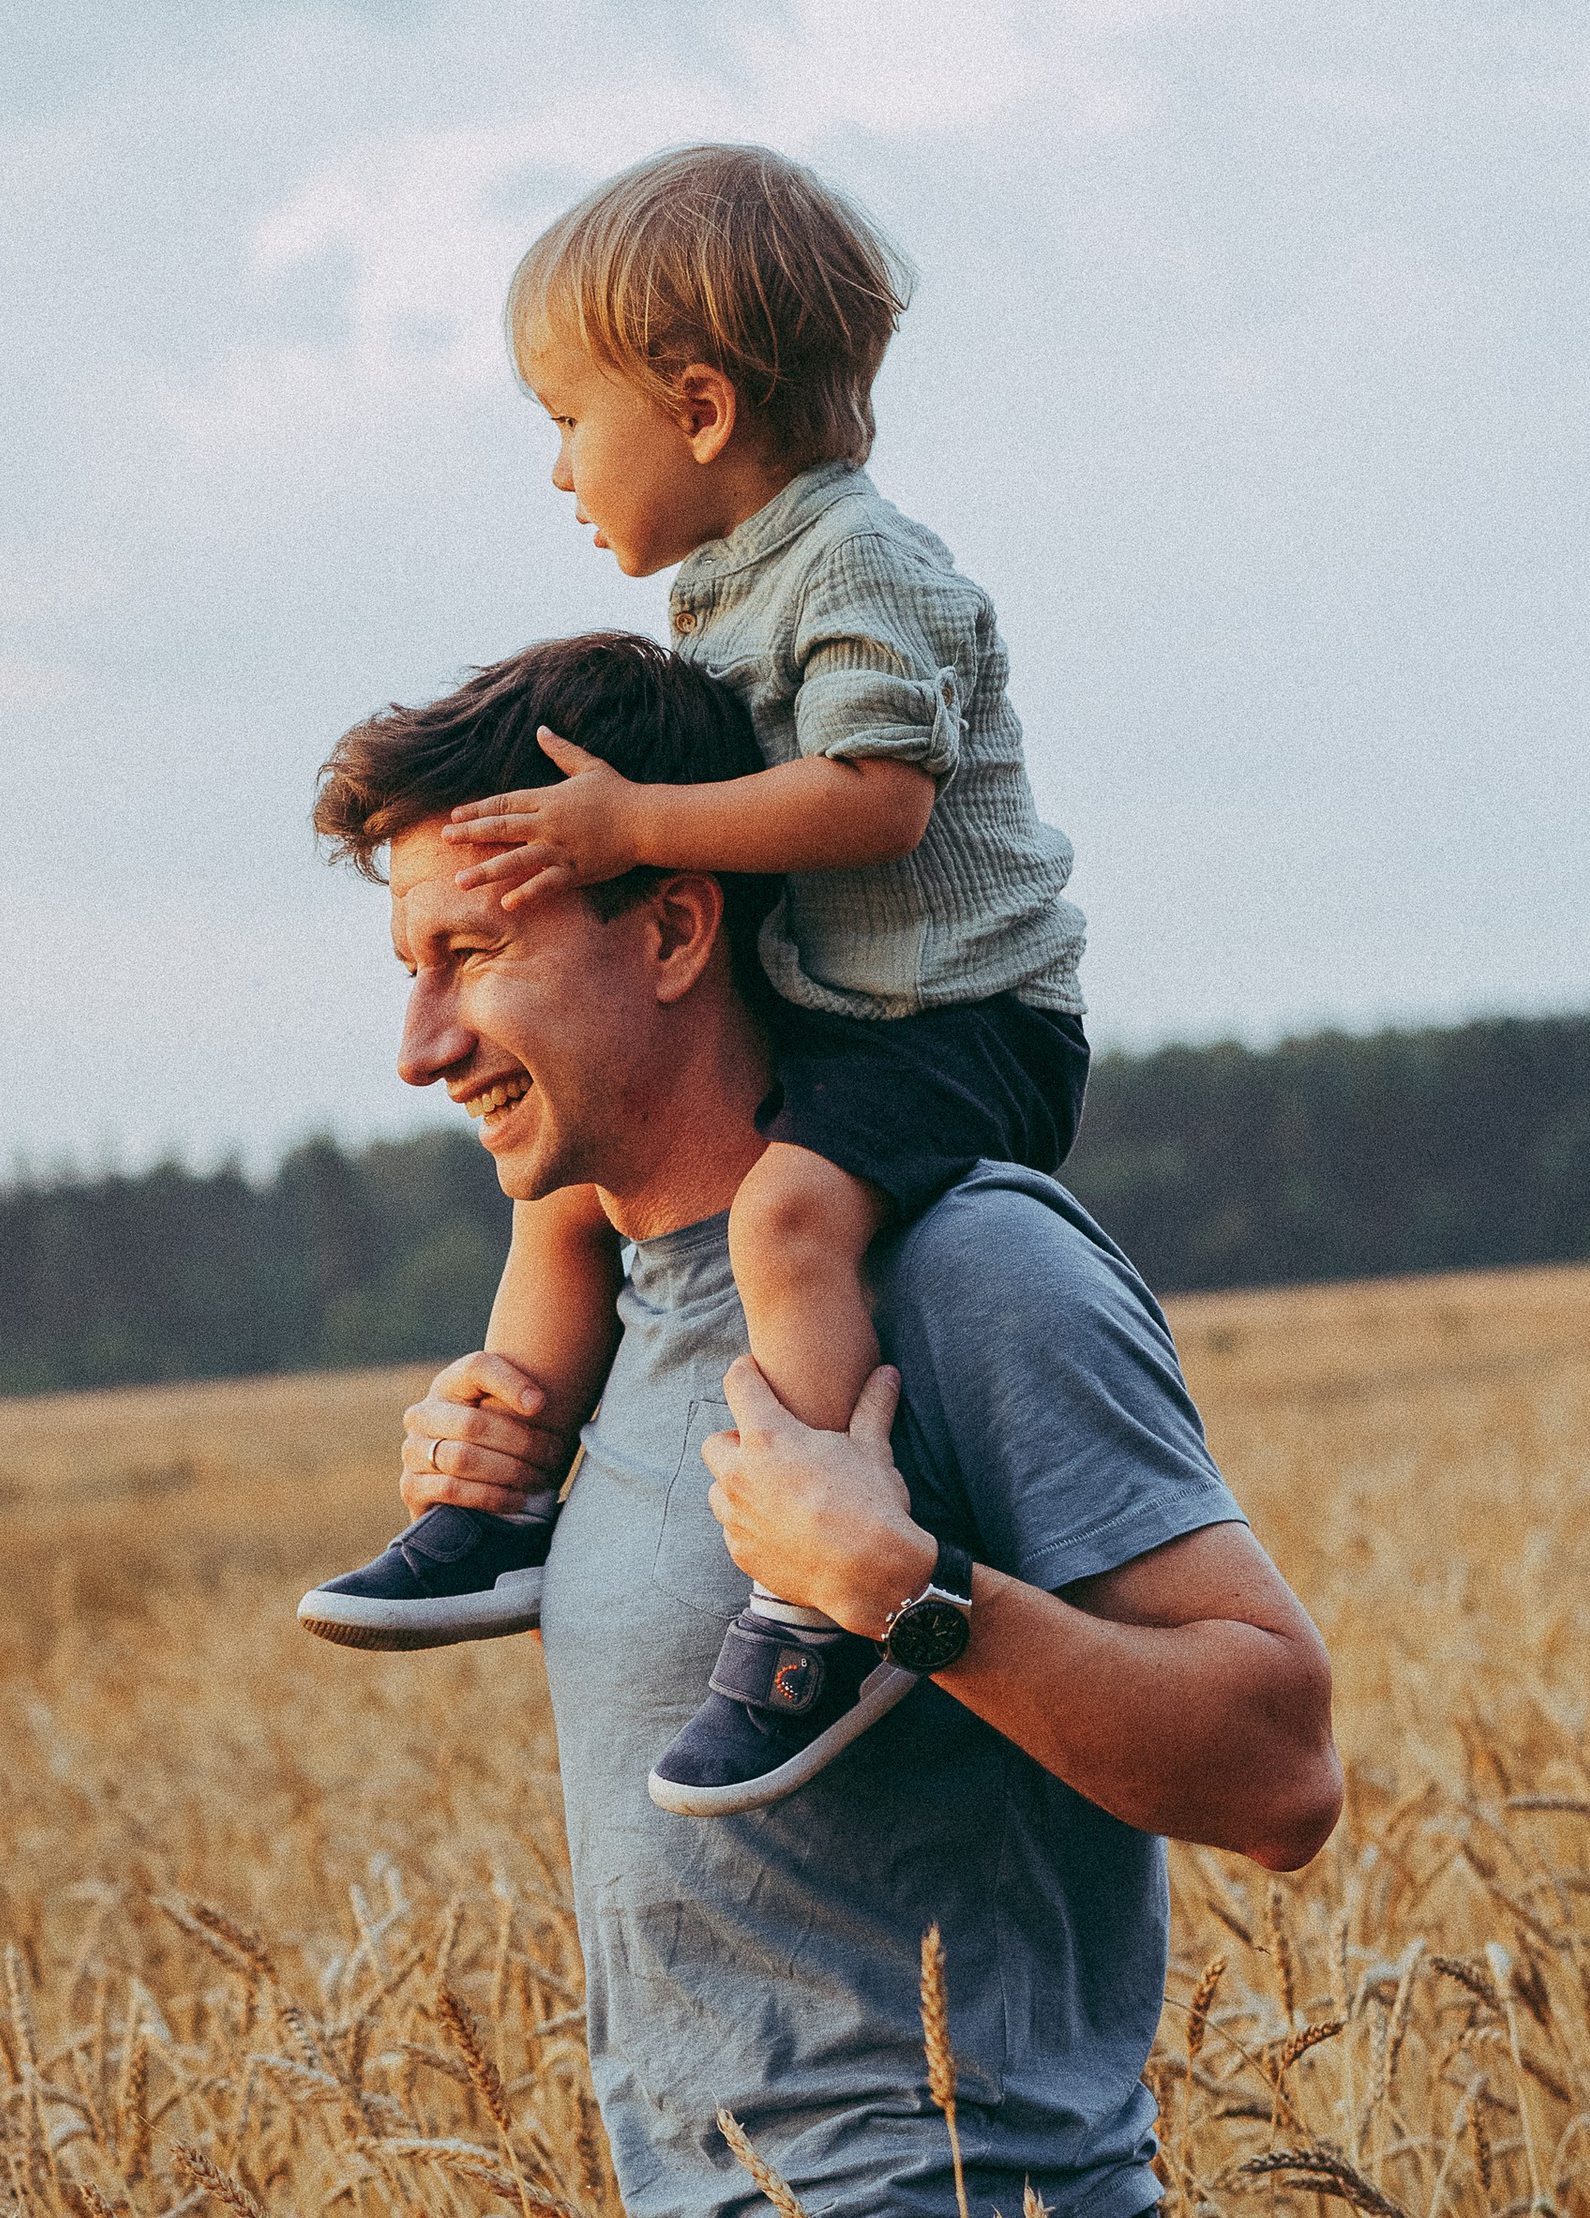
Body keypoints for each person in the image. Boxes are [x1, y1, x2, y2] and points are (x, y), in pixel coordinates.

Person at [303, 633, 1342, 2218]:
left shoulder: (972, 1269)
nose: (421, 1047)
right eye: (409, 972)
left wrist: (910, 1596)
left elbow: (1280, 1765)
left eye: (473, 956)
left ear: (678, 931)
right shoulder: (609, 1325)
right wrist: (489, 1478)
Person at [298, 142, 1089, 1818]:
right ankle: (499, 1503)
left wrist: (633, 820)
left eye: (569, 419)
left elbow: (879, 798)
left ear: (703, 406)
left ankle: (814, 1598)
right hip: (847, 989)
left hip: (957, 1017)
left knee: (788, 1221)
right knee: (564, 1199)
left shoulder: (863, 564)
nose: (560, 468)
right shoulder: (734, 590)